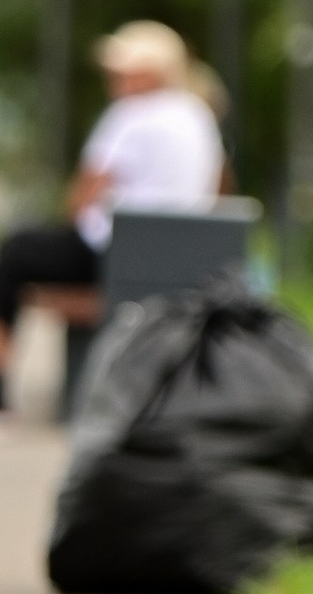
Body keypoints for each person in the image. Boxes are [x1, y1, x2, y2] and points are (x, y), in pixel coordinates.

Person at [0, 21, 228, 401]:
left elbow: (83, 197)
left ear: (150, 72)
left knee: (16, 252)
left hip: (116, 257)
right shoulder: (199, 115)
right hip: (179, 261)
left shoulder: (128, 115)